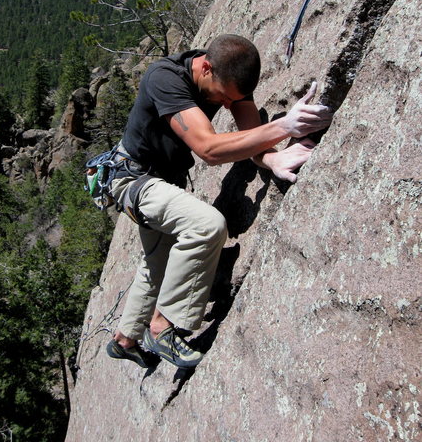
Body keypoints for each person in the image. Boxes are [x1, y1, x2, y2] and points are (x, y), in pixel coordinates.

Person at [106, 34, 332, 369]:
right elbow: (209, 149)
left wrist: (271, 160)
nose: (228, 105)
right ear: (206, 67)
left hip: (163, 182)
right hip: (133, 179)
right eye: (224, 98)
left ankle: (124, 341)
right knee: (207, 225)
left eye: (234, 100)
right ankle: (162, 326)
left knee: (159, 261)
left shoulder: (230, 79)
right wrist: (284, 126)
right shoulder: (164, 78)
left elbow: (251, 135)